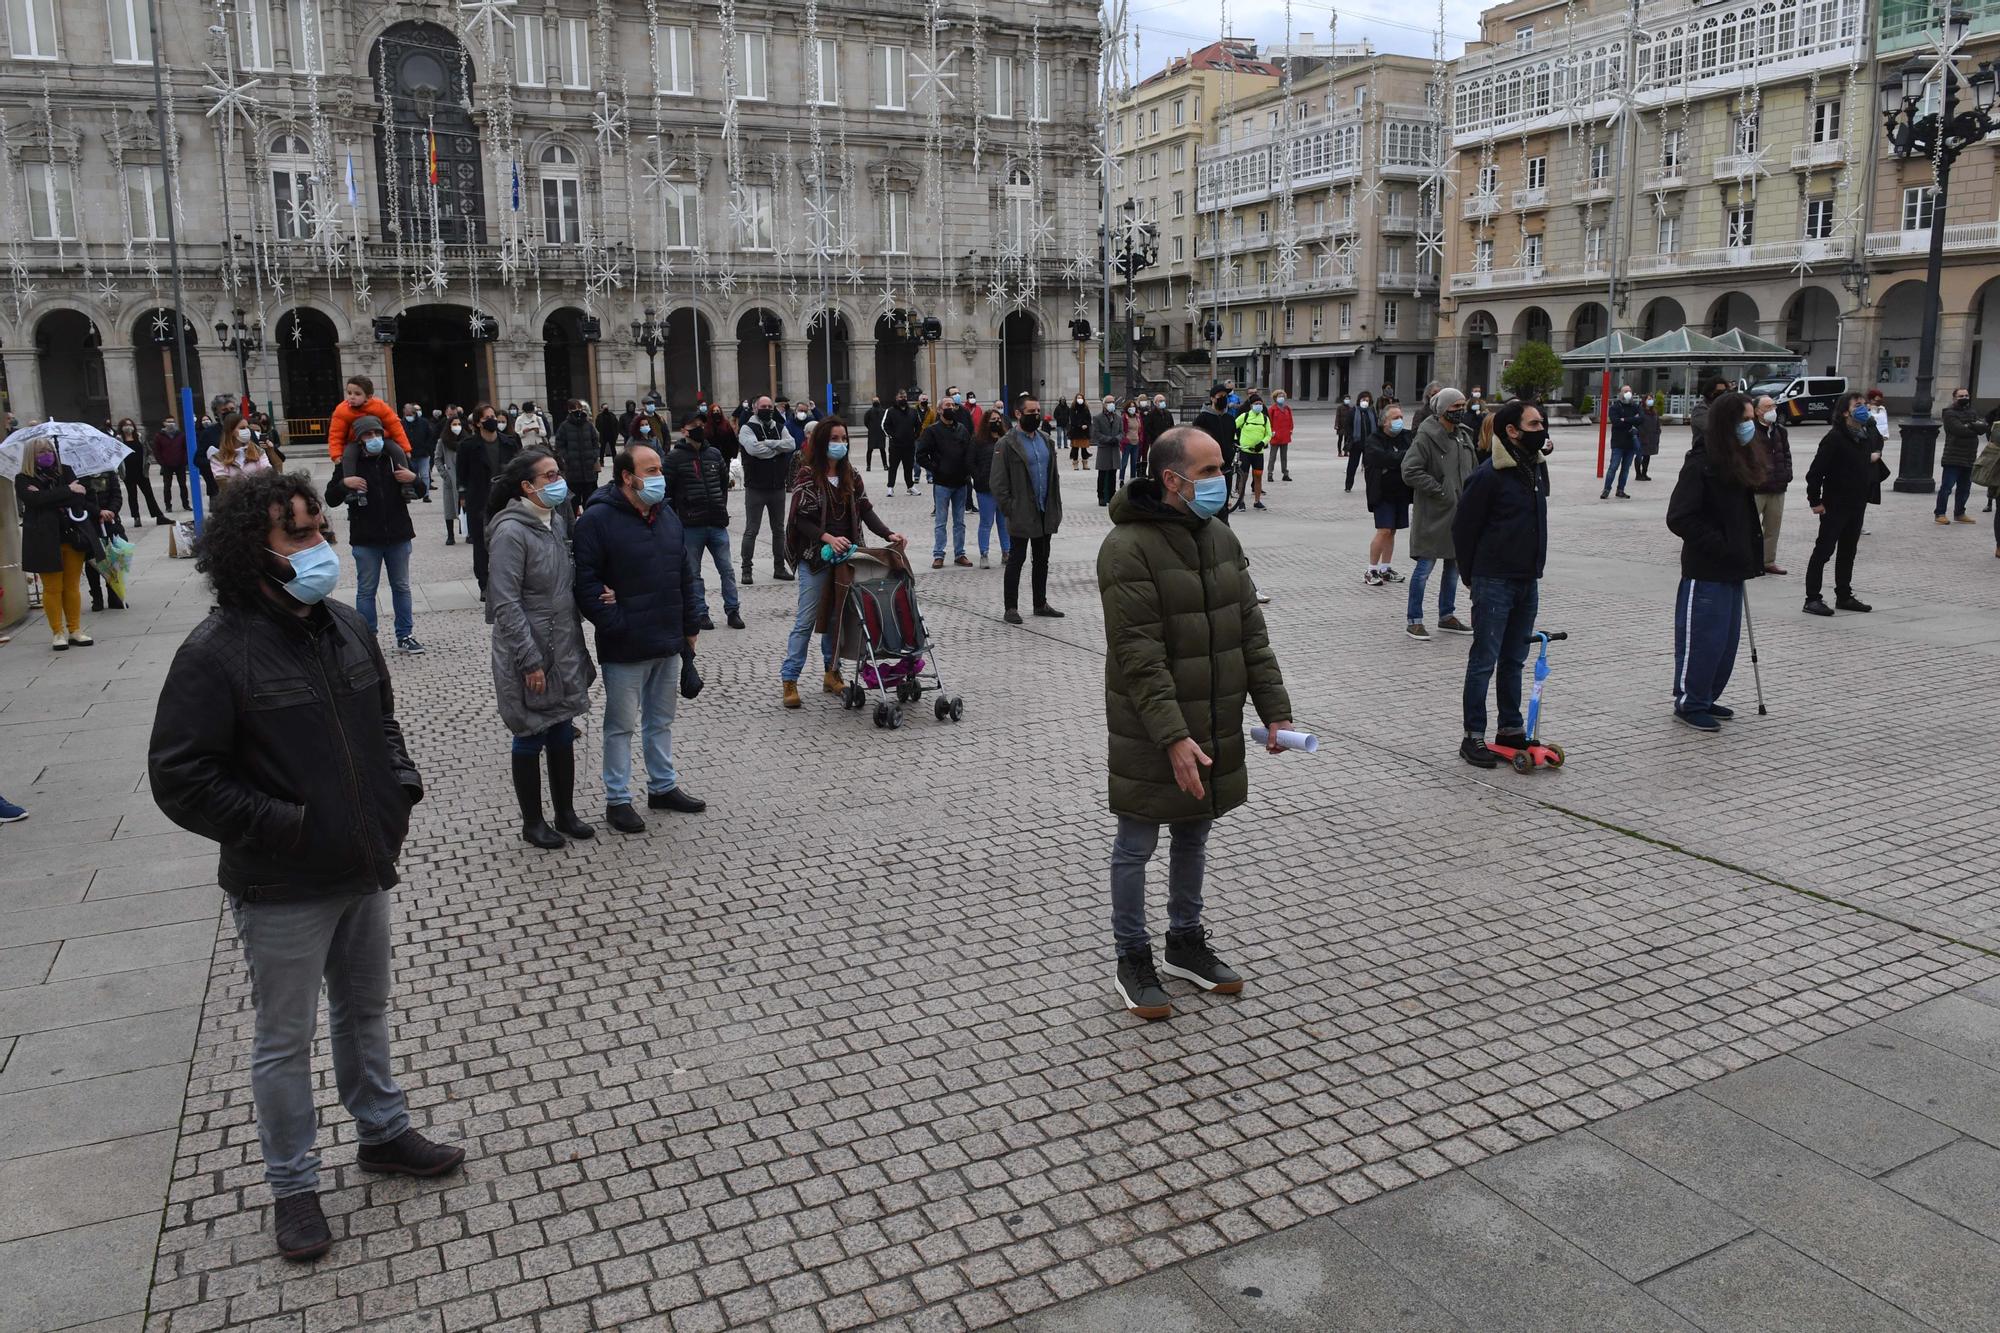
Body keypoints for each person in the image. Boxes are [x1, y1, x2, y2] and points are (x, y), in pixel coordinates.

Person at [147, 470, 463, 1263]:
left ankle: (383, 1130)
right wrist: (284, 825)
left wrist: (401, 784)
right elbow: (182, 777)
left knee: (365, 1012)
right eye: (299, 534)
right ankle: (293, 1185)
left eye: (321, 528)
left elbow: (382, 720)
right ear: (255, 550)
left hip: (362, 863)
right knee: (283, 1042)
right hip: (282, 881)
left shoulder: (347, 624)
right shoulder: (216, 652)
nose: (320, 545)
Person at [1098, 425, 1294, 1021]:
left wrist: (1274, 708)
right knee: (1137, 842)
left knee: (1195, 829)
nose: (1221, 479)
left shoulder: (1221, 538)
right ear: (1172, 479)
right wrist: (1173, 735)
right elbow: (1139, 654)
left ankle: (1185, 941)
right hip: (1153, 724)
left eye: (1220, 468)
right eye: (1208, 472)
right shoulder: (1126, 548)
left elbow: (1249, 630)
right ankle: (1132, 956)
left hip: (1214, 712)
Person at [572, 441, 705, 834]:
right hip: (625, 644)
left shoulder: (667, 516)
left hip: (667, 636)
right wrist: (616, 622)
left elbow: (686, 572)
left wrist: (691, 624)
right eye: (650, 471)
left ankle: (662, 787)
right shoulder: (596, 520)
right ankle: (618, 799)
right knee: (621, 725)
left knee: (660, 720)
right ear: (627, 477)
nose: (659, 477)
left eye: (660, 469)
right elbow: (587, 584)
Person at [485, 449, 597, 848]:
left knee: (563, 727)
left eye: (558, 473)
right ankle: (532, 822)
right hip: (528, 647)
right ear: (527, 487)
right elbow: (505, 602)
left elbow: (563, 583)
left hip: (562, 642)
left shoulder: (555, 521)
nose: (558, 482)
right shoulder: (511, 532)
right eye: (549, 477)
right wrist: (529, 659)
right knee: (531, 732)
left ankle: (564, 813)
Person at [780, 418, 907, 707]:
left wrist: (888, 533)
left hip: (846, 559)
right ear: (823, 442)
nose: (840, 444)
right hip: (814, 558)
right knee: (807, 619)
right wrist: (827, 537)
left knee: (837, 619)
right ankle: (790, 679)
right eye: (835, 439)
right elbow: (801, 519)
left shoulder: (852, 474)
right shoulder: (807, 475)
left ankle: (832, 672)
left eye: (844, 438)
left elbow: (866, 510)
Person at [1452, 401, 1551, 769]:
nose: (1542, 428)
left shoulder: (1534, 469)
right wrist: (1473, 577)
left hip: (1527, 580)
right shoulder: (1488, 475)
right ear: (1512, 431)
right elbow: (1463, 530)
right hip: (1494, 581)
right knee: (1484, 661)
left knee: (1514, 660)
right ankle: (1472, 735)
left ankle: (1510, 728)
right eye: (1535, 423)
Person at [1664, 391, 1763, 731]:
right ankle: (1690, 702)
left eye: (1752, 419)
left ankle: (1706, 695)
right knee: (1702, 640)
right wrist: (1721, 545)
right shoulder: (1700, 464)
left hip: (1733, 569)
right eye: (1745, 420)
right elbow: (1679, 517)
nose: (1751, 426)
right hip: (1706, 570)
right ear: (1727, 424)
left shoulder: (1736, 461)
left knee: (1725, 642)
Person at [325, 415, 425, 654]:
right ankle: (368, 638)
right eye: (368, 435)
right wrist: (344, 483)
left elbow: (419, 491)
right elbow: (331, 498)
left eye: (377, 434)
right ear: (359, 440)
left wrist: (414, 479)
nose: (374, 439)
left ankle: (405, 635)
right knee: (366, 590)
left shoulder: (393, 458)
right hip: (366, 537)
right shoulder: (348, 464)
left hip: (398, 535)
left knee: (401, 586)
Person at [1401, 388, 1477, 641]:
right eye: (1456, 407)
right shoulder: (1426, 436)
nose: (1461, 411)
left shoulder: (1463, 436)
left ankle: (1447, 616)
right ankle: (1414, 620)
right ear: (1443, 409)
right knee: (1425, 567)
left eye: (1463, 405)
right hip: (1434, 515)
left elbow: (1473, 471)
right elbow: (1409, 470)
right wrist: (1440, 490)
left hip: (1460, 514)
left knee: (1454, 566)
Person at [1802, 394, 1881, 617]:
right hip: (1834, 504)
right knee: (1824, 551)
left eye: (1865, 405)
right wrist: (1815, 501)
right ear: (1845, 412)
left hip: (1856, 504)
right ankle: (1812, 598)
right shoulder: (1834, 438)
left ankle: (1844, 595)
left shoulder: (1864, 436)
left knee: (1848, 551)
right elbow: (1815, 472)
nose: (1864, 409)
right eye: (1858, 406)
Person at [664, 410, 744, 630]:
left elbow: (722, 483)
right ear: (683, 430)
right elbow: (667, 492)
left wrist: (720, 505)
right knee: (693, 572)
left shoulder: (714, 454)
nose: (699, 428)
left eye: (701, 423)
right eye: (693, 425)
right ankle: (700, 612)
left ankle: (733, 610)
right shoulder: (674, 458)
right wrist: (676, 519)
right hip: (690, 524)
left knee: (727, 569)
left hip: (716, 522)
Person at [992, 397, 1065, 626]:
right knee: (1017, 559)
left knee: (1042, 559)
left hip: (1045, 510)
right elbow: (998, 483)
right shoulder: (1006, 443)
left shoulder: (1046, 440)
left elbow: (1053, 476)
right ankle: (1011, 607)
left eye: (1038, 411)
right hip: (1021, 511)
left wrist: (1056, 505)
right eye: (1031, 411)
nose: (1036, 415)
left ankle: (1040, 603)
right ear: (1018, 413)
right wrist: (1010, 508)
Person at [18, 448, 97, 649]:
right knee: (52, 588)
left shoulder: (66, 471)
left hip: (72, 535)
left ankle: (75, 630)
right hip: (44, 539)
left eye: (49, 450)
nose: (46, 454)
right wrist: (67, 491)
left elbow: (79, 499)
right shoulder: (23, 478)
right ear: (31, 455)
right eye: (40, 451)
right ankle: (57, 632)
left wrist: (48, 496)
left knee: (71, 586)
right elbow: (32, 501)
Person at [737, 396, 797, 585]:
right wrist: (778, 447)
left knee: (779, 530)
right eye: (764, 406)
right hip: (755, 487)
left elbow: (792, 444)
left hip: (777, 486)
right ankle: (746, 569)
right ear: (755, 408)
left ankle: (779, 567)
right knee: (751, 530)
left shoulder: (779, 426)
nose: (767, 409)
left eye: (770, 406)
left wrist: (769, 444)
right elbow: (754, 450)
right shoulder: (747, 428)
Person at [1361, 403, 1413, 586]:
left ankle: (1385, 568)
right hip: (1381, 493)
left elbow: (1414, 454)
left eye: (1401, 417)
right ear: (1384, 422)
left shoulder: (1407, 436)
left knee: (1392, 531)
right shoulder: (1373, 440)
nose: (1399, 421)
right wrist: (1400, 459)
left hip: (1401, 492)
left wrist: (1394, 462)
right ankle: (1371, 569)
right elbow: (1382, 458)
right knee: (1383, 530)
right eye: (1395, 418)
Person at [919, 397, 975, 567]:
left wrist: (968, 470)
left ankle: (960, 553)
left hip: (960, 482)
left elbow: (969, 451)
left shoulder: (962, 429)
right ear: (940, 410)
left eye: (953, 405)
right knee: (941, 522)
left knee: (960, 521)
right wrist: (935, 468)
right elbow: (921, 454)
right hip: (942, 483)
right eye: (947, 405)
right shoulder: (932, 431)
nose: (951, 408)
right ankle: (939, 554)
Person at [326, 376, 412, 478]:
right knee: (348, 456)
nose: (352, 397)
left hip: (381, 437)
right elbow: (336, 434)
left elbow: (395, 426)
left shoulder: (379, 406)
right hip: (355, 441)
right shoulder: (342, 410)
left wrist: (406, 448)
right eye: (349, 393)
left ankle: (407, 483)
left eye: (357, 394)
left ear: (368, 396)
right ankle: (351, 488)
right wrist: (336, 454)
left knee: (398, 451)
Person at [1750, 394, 1793, 575]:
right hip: (1757, 488)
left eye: (1773, 406)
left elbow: (1787, 454)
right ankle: (1749, 561)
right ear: (1757, 411)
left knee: (1773, 527)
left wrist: (1786, 474)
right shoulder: (1750, 430)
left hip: (1777, 487)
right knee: (1750, 527)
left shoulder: (1780, 431)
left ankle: (1768, 561)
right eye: (1767, 407)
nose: (1772, 410)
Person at [971, 411, 1011, 569]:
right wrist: (979, 476)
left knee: (1004, 523)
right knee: (986, 522)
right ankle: (984, 553)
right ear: (986, 422)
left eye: (998, 419)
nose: (996, 422)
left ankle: (1006, 552)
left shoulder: (1006, 439)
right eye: (993, 419)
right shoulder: (978, 440)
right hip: (985, 488)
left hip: (1004, 488)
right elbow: (970, 461)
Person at [552, 398, 601, 520]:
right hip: (573, 472)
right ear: (569, 410)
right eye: (574, 408)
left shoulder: (588, 425)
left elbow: (596, 442)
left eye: (579, 408)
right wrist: (568, 458)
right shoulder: (564, 427)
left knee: (590, 501)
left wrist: (594, 455)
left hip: (589, 471)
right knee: (573, 502)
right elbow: (559, 445)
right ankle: (573, 527)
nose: (578, 411)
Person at [115, 417, 169, 525]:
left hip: (141, 471)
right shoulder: (118, 439)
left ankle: (159, 516)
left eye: (130, 425)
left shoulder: (139, 437)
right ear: (121, 427)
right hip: (127, 472)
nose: (128, 427)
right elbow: (115, 454)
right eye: (126, 425)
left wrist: (147, 462)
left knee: (149, 494)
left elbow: (148, 451)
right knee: (132, 495)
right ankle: (136, 518)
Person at [1939, 389, 1981, 525]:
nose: (1964, 398)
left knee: (1965, 488)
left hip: (1969, 456)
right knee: (1947, 487)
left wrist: (1971, 427)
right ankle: (1940, 513)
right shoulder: (1949, 413)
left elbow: (1982, 428)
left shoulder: (1973, 412)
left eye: (1966, 395)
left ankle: (1960, 513)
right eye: (1961, 396)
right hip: (1953, 456)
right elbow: (1958, 430)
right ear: (1954, 398)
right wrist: (1973, 428)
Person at [209, 411, 274, 490]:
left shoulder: (258, 451)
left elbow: (268, 474)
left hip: (259, 498)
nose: (247, 431)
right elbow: (223, 483)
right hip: (234, 500)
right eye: (242, 428)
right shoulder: (218, 457)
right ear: (231, 431)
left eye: (247, 427)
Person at [1232, 394, 1271, 511]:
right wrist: (1235, 439)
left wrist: (1262, 443)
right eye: (1256, 404)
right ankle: (1241, 501)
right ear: (1251, 405)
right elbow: (1232, 426)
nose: (1258, 406)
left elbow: (1269, 434)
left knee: (1258, 476)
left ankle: (1257, 501)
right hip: (1245, 451)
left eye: (1260, 404)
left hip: (1258, 453)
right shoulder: (1245, 416)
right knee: (1243, 477)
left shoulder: (1265, 418)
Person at [1604, 384, 1643, 499]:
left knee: (1625, 469)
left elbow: (1641, 419)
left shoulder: (1635, 406)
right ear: (1620, 393)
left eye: (1629, 391)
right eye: (1625, 391)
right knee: (1613, 467)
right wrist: (1632, 420)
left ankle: (1620, 490)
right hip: (1618, 443)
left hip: (1631, 443)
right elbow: (1616, 422)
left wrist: (1625, 419)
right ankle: (1606, 489)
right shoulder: (1615, 407)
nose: (1628, 393)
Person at [883, 390, 922, 494]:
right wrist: (892, 436)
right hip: (895, 445)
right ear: (896, 398)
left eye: (904, 397)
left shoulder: (913, 411)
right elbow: (884, 425)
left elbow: (918, 425)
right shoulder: (890, 411)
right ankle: (890, 487)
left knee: (908, 467)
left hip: (909, 445)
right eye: (901, 397)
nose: (903, 399)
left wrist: (915, 436)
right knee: (893, 467)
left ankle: (910, 486)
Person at [437, 410, 465, 546]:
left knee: (465, 506)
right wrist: (444, 475)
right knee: (449, 508)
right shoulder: (443, 441)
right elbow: (438, 458)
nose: (457, 426)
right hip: (450, 477)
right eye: (454, 424)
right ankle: (450, 535)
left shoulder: (466, 439)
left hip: (463, 477)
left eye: (459, 424)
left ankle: (467, 532)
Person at [1090, 396, 1123, 506]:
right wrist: (1108, 439)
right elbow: (1096, 434)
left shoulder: (1118, 418)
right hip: (1104, 448)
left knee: (1113, 473)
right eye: (1109, 402)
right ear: (1104, 404)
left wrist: (1117, 438)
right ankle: (1101, 496)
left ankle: (1111, 495)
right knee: (1102, 473)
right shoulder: (1098, 418)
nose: (1111, 404)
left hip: (1114, 448)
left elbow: (1122, 432)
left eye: (1113, 402)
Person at [152, 416, 191, 510]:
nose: (171, 424)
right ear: (164, 423)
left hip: (180, 464)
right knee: (167, 486)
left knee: (183, 485)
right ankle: (168, 506)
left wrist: (185, 460)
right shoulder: (159, 436)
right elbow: (156, 451)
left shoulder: (181, 435)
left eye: (172, 421)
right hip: (166, 465)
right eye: (168, 422)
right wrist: (161, 462)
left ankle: (186, 504)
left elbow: (186, 448)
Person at [401, 403, 436, 500]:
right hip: (409, 455)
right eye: (406, 415)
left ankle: (426, 494)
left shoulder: (423, 422)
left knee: (425, 475)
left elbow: (430, 435)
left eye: (410, 415)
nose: (408, 417)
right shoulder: (401, 423)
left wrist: (427, 448)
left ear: (414, 413)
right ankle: (414, 492)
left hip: (423, 454)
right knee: (412, 475)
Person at [1346, 391, 1376, 492]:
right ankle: (1348, 486)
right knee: (1352, 465)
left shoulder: (1371, 412)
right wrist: (1351, 438)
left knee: (1369, 467)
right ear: (1359, 400)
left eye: (1367, 400)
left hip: (1369, 444)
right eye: (1363, 400)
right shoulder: (1353, 411)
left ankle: (1370, 486)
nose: (1365, 402)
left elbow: (1376, 425)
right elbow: (1348, 426)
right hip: (1356, 443)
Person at [1269, 391, 1294, 482]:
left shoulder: (1287, 408)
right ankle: (1270, 473)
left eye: (1283, 396)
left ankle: (1285, 473)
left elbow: (1291, 420)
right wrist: (1271, 431)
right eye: (1280, 396)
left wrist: (1291, 429)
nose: (1281, 398)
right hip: (1275, 436)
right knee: (1273, 456)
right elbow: (1269, 422)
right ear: (1275, 398)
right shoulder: (1272, 409)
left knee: (1284, 456)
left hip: (1285, 436)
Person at [1636, 393, 1662, 482]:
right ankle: (1638, 474)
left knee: (1647, 455)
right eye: (1648, 399)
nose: (1650, 401)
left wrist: (1658, 432)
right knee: (1640, 455)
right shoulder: (1640, 411)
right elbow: (1638, 423)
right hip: (1642, 436)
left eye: (1651, 399)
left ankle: (1644, 473)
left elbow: (1657, 423)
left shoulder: (1654, 412)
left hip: (1652, 436)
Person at [1067, 395, 1094, 469]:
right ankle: (1075, 463)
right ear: (1076, 399)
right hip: (1076, 431)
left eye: (1081, 398)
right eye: (1078, 398)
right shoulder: (1073, 408)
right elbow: (1073, 419)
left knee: (1084, 448)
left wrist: (1087, 425)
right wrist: (1080, 425)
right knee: (1075, 448)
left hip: (1084, 431)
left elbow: (1089, 418)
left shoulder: (1086, 408)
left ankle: (1085, 463)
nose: (1080, 399)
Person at [864, 394, 888, 472]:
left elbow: (886, 421)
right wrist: (870, 428)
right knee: (870, 450)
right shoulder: (869, 412)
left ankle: (885, 465)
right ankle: (868, 466)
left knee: (882, 450)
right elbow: (866, 422)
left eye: (877, 401)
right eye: (874, 401)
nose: (876, 402)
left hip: (880, 432)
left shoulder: (884, 411)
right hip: (872, 433)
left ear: (879, 402)